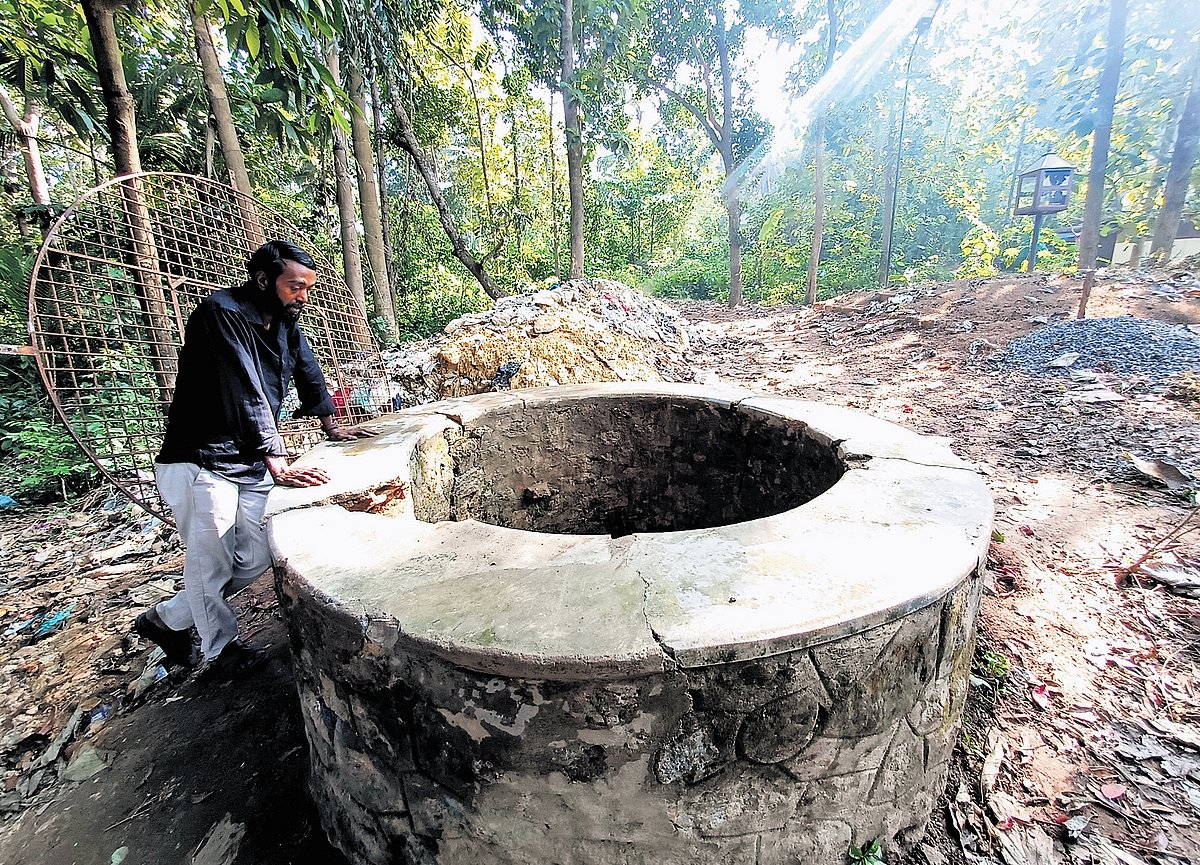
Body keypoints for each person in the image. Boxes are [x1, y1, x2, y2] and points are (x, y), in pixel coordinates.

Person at [134, 240, 377, 680]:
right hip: (200, 461)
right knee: (210, 562)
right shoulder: (221, 314)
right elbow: (243, 390)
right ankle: (220, 652)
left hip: (246, 458)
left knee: (261, 551)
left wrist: (331, 425)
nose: (302, 296)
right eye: (295, 287)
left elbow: (308, 369)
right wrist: (278, 459)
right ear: (264, 280)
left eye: (307, 288)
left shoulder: (283, 321)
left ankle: (167, 619)